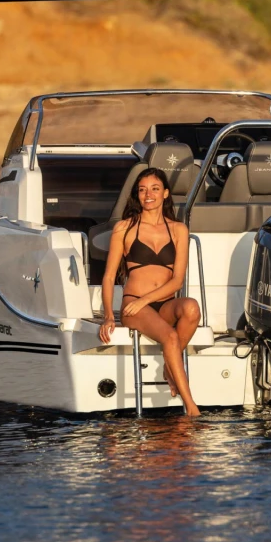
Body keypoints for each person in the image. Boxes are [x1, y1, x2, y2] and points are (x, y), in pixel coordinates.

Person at [98, 167, 202, 417]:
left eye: (155, 189)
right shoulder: (124, 228)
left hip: (164, 303)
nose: (148, 195)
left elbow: (177, 281)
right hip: (134, 306)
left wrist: (148, 299)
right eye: (142, 190)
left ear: (165, 193)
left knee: (191, 308)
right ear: (137, 194)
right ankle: (192, 408)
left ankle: (170, 365)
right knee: (170, 337)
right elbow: (110, 276)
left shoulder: (178, 230)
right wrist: (109, 315)